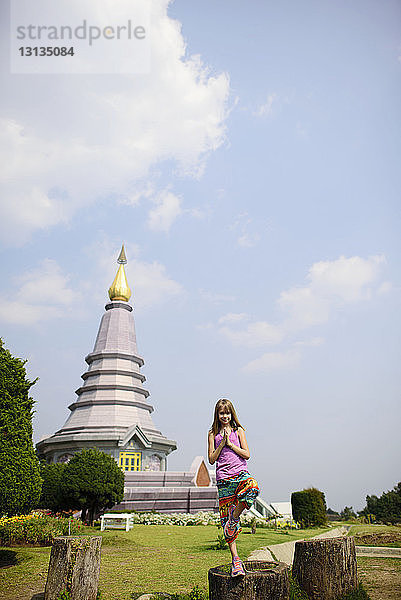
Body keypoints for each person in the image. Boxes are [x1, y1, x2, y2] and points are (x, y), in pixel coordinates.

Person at [208, 398, 259, 577]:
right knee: (226, 524)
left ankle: (234, 517)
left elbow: (247, 454)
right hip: (223, 479)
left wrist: (231, 445)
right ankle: (236, 561)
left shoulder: (239, 431)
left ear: (232, 414)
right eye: (222, 413)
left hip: (240, 474)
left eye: (227, 413)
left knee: (252, 488)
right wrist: (221, 444)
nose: (225, 416)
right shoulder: (212, 433)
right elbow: (211, 459)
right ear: (217, 414)